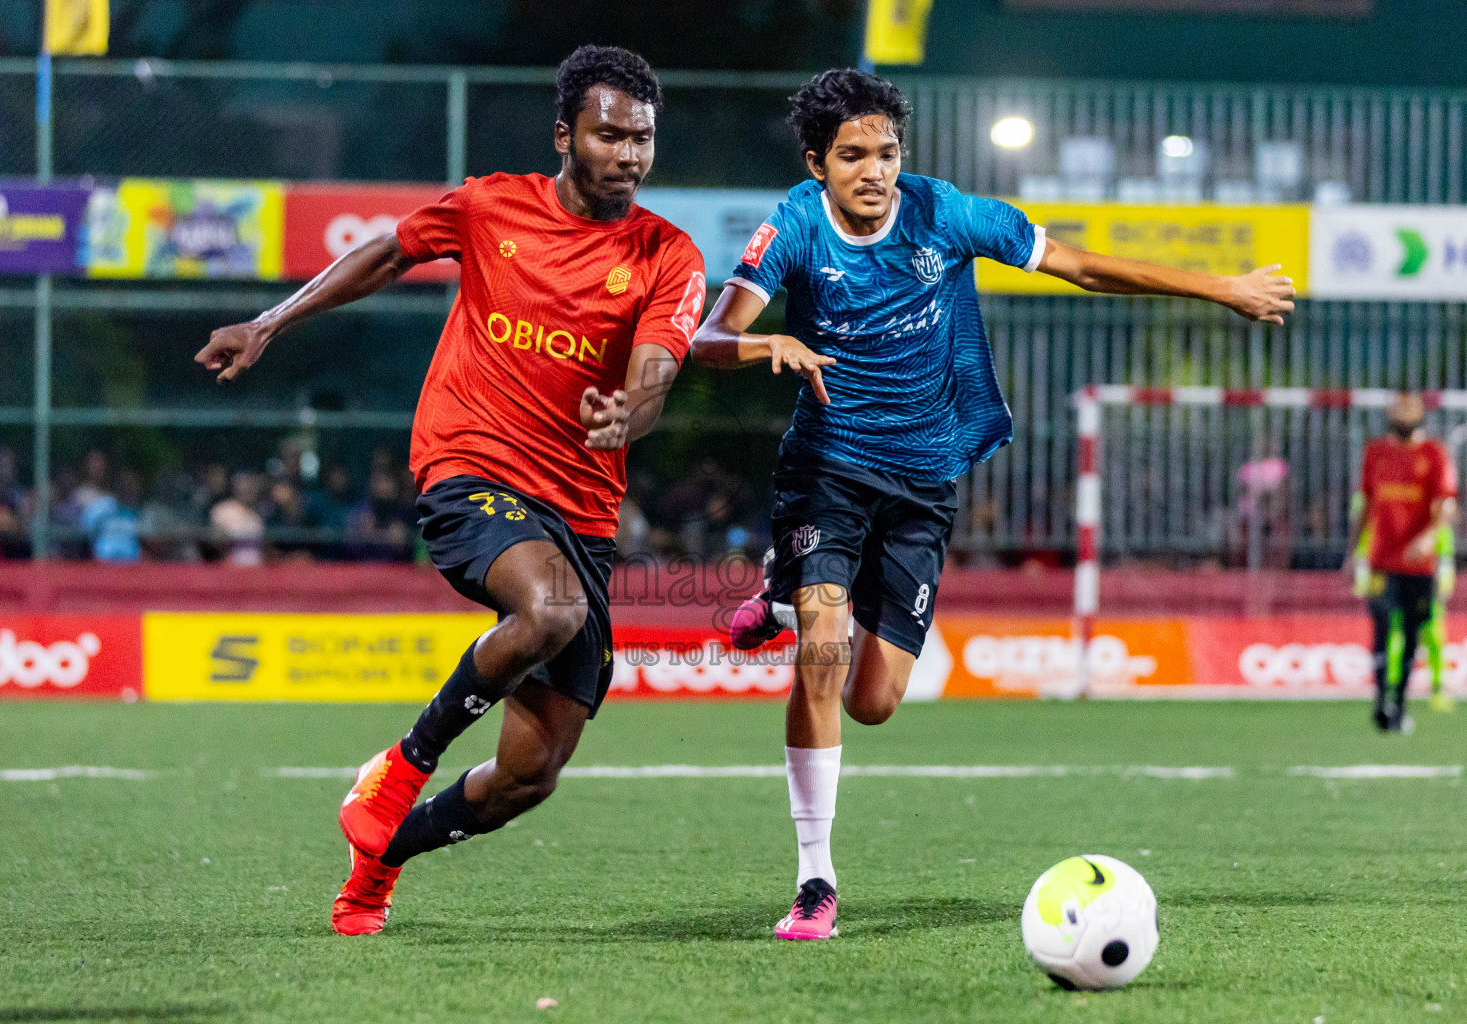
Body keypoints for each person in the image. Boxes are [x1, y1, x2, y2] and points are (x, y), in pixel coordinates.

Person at [691, 68, 1295, 940]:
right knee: (821, 656)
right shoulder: (791, 223)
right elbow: (710, 337)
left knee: (874, 701)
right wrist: (763, 342)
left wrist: (1223, 287)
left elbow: (1082, 268)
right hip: (826, 467)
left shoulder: (947, 215)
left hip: (925, 480)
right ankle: (815, 880)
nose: (875, 170)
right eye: (853, 155)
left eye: (888, 152)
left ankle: (782, 591)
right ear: (817, 162)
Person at [195, 45, 703, 936]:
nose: (628, 155)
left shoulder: (667, 252)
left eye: (643, 140)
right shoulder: (491, 205)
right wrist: (270, 323)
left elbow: (660, 364)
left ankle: (378, 862)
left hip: (578, 511)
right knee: (548, 611)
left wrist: (635, 407)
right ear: (565, 134)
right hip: (469, 466)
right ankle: (401, 768)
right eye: (609, 135)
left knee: (527, 777)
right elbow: (387, 254)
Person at [1346, 394, 1457, 732]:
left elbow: (1447, 502)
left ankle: (1401, 702)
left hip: (1420, 564)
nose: (1403, 417)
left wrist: (1429, 536)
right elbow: (1365, 503)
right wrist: (1352, 553)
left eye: (1409, 411)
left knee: (1413, 632)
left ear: (1420, 416)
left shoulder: (1434, 454)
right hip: (1381, 559)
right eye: (1397, 411)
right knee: (1381, 627)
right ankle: (1381, 702)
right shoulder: (1376, 452)